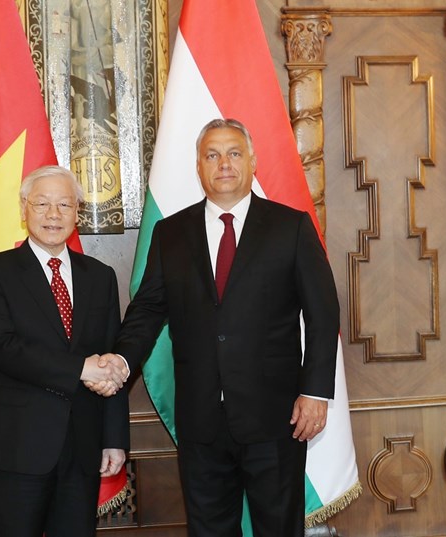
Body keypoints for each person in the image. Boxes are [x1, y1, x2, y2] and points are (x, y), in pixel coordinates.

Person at [94, 119, 340, 536]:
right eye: (212, 155)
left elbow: (323, 313)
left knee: (279, 528)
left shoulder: (291, 227)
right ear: (199, 166)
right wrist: (120, 360)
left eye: (233, 153)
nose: (223, 163)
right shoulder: (171, 232)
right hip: (201, 419)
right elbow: (149, 308)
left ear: (253, 161)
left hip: (275, 417)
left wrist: (314, 391)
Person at [0, 165, 130, 537]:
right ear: (24, 207)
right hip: (19, 446)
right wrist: (80, 369)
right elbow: (4, 348)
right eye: (42, 204)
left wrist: (114, 439)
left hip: (83, 448)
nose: (53, 215)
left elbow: (110, 356)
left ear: (77, 212)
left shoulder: (100, 275)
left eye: (64, 205)